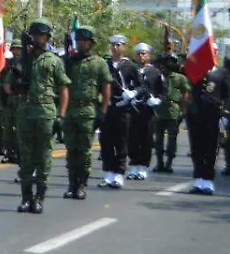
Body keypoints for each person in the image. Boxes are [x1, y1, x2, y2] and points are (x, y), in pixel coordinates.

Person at [8, 19, 70, 214]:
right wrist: (18, 86)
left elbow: (63, 88)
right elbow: (8, 87)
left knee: (44, 157)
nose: (38, 39)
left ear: (47, 38)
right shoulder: (23, 60)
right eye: (35, 35)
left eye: (41, 36)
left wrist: (62, 115)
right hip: (25, 112)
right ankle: (26, 198)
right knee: (25, 157)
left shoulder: (54, 61)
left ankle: (39, 198)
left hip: (45, 112)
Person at [61, 26, 111, 200]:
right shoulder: (70, 61)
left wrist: (103, 111)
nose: (82, 43)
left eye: (85, 41)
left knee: (83, 151)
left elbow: (106, 88)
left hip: (88, 110)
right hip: (71, 110)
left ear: (91, 43)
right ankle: (71, 184)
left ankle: (82, 184)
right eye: (79, 40)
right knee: (71, 150)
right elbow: (62, 84)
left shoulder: (99, 63)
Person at [100, 35, 139, 189]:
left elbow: (141, 86)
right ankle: (109, 174)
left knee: (121, 142)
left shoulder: (130, 66)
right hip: (108, 107)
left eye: (118, 45)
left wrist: (133, 93)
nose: (115, 48)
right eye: (113, 45)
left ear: (124, 47)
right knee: (106, 142)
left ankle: (119, 173)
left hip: (124, 108)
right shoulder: (105, 65)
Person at [126, 42, 164, 181]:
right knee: (132, 139)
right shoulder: (130, 69)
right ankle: (134, 165)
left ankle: (143, 167)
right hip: (133, 109)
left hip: (148, 111)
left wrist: (157, 101)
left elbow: (161, 93)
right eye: (139, 54)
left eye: (144, 53)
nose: (141, 56)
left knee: (146, 140)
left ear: (148, 55)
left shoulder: (155, 72)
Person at [187, 67, 228, 194]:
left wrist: (226, 115)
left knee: (211, 148)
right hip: (195, 114)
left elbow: (227, 95)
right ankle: (198, 179)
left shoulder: (221, 73)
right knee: (196, 148)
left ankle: (208, 179)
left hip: (213, 114)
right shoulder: (195, 70)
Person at [152, 54, 189, 173]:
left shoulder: (179, 78)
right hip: (159, 110)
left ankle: (169, 164)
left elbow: (186, 93)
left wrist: (184, 110)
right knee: (158, 139)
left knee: (172, 139)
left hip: (173, 110)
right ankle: (159, 163)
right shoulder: (158, 77)